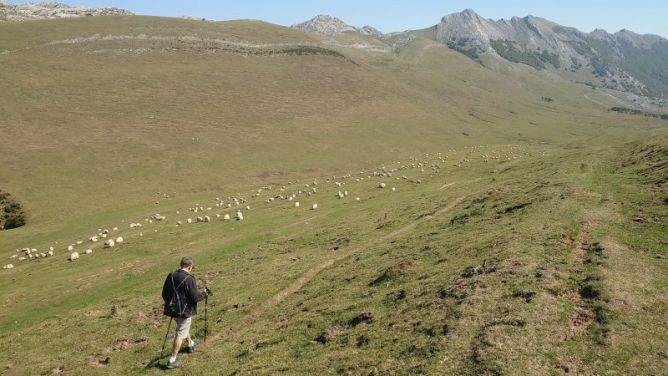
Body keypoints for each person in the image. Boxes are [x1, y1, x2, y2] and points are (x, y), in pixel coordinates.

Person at [161, 256, 208, 369]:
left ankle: (191, 345)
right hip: (184, 311)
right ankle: (172, 360)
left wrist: (172, 305)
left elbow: (164, 293)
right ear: (190, 266)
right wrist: (204, 294)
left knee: (183, 328)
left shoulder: (171, 275)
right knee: (180, 333)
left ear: (181, 265)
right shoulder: (189, 279)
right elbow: (195, 297)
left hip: (172, 310)